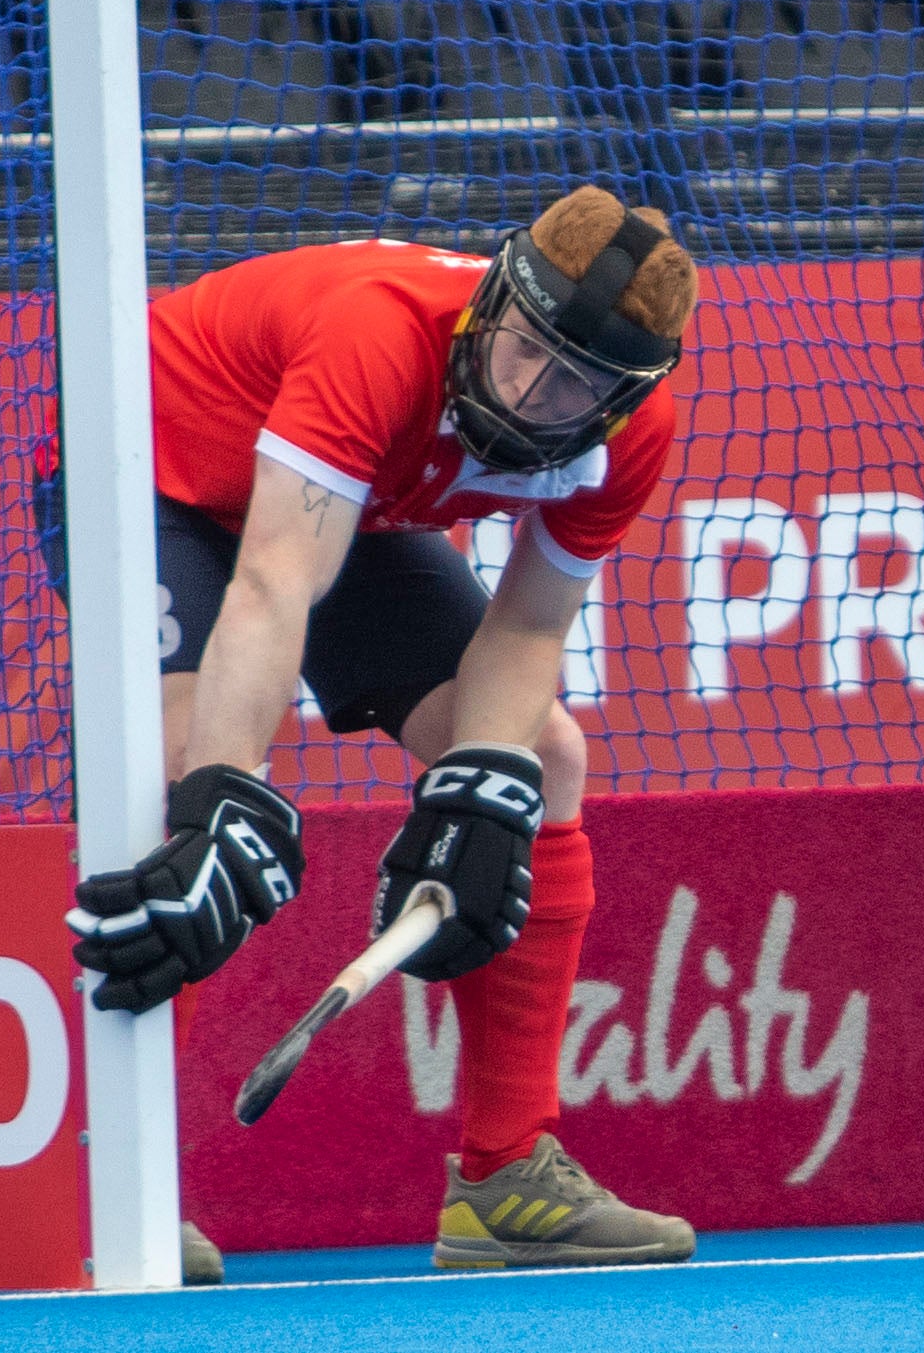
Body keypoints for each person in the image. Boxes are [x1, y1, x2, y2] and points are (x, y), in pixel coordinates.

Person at [57, 188, 703, 1271]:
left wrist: (479, 787)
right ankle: (116, 1190)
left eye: (575, 384)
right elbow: (274, 579)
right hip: (152, 469)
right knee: (177, 770)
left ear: (622, 396)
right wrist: (222, 792)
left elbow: (529, 623)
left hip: (347, 498)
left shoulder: (630, 435)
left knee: (540, 760)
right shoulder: (378, 332)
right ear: (492, 302)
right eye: (523, 350)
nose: (532, 393)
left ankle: (506, 1174)